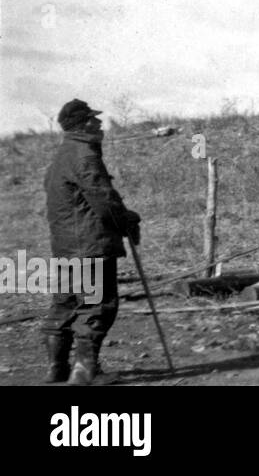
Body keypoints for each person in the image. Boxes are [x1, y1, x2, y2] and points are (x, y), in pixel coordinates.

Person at [42, 99, 141, 385]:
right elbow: (104, 201)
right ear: (84, 124)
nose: (99, 125)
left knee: (65, 304)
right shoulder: (84, 154)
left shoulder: (61, 157)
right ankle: (84, 374)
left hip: (64, 249)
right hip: (90, 247)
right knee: (96, 306)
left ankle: (56, 370)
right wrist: (126, 221)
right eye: (94, 120)